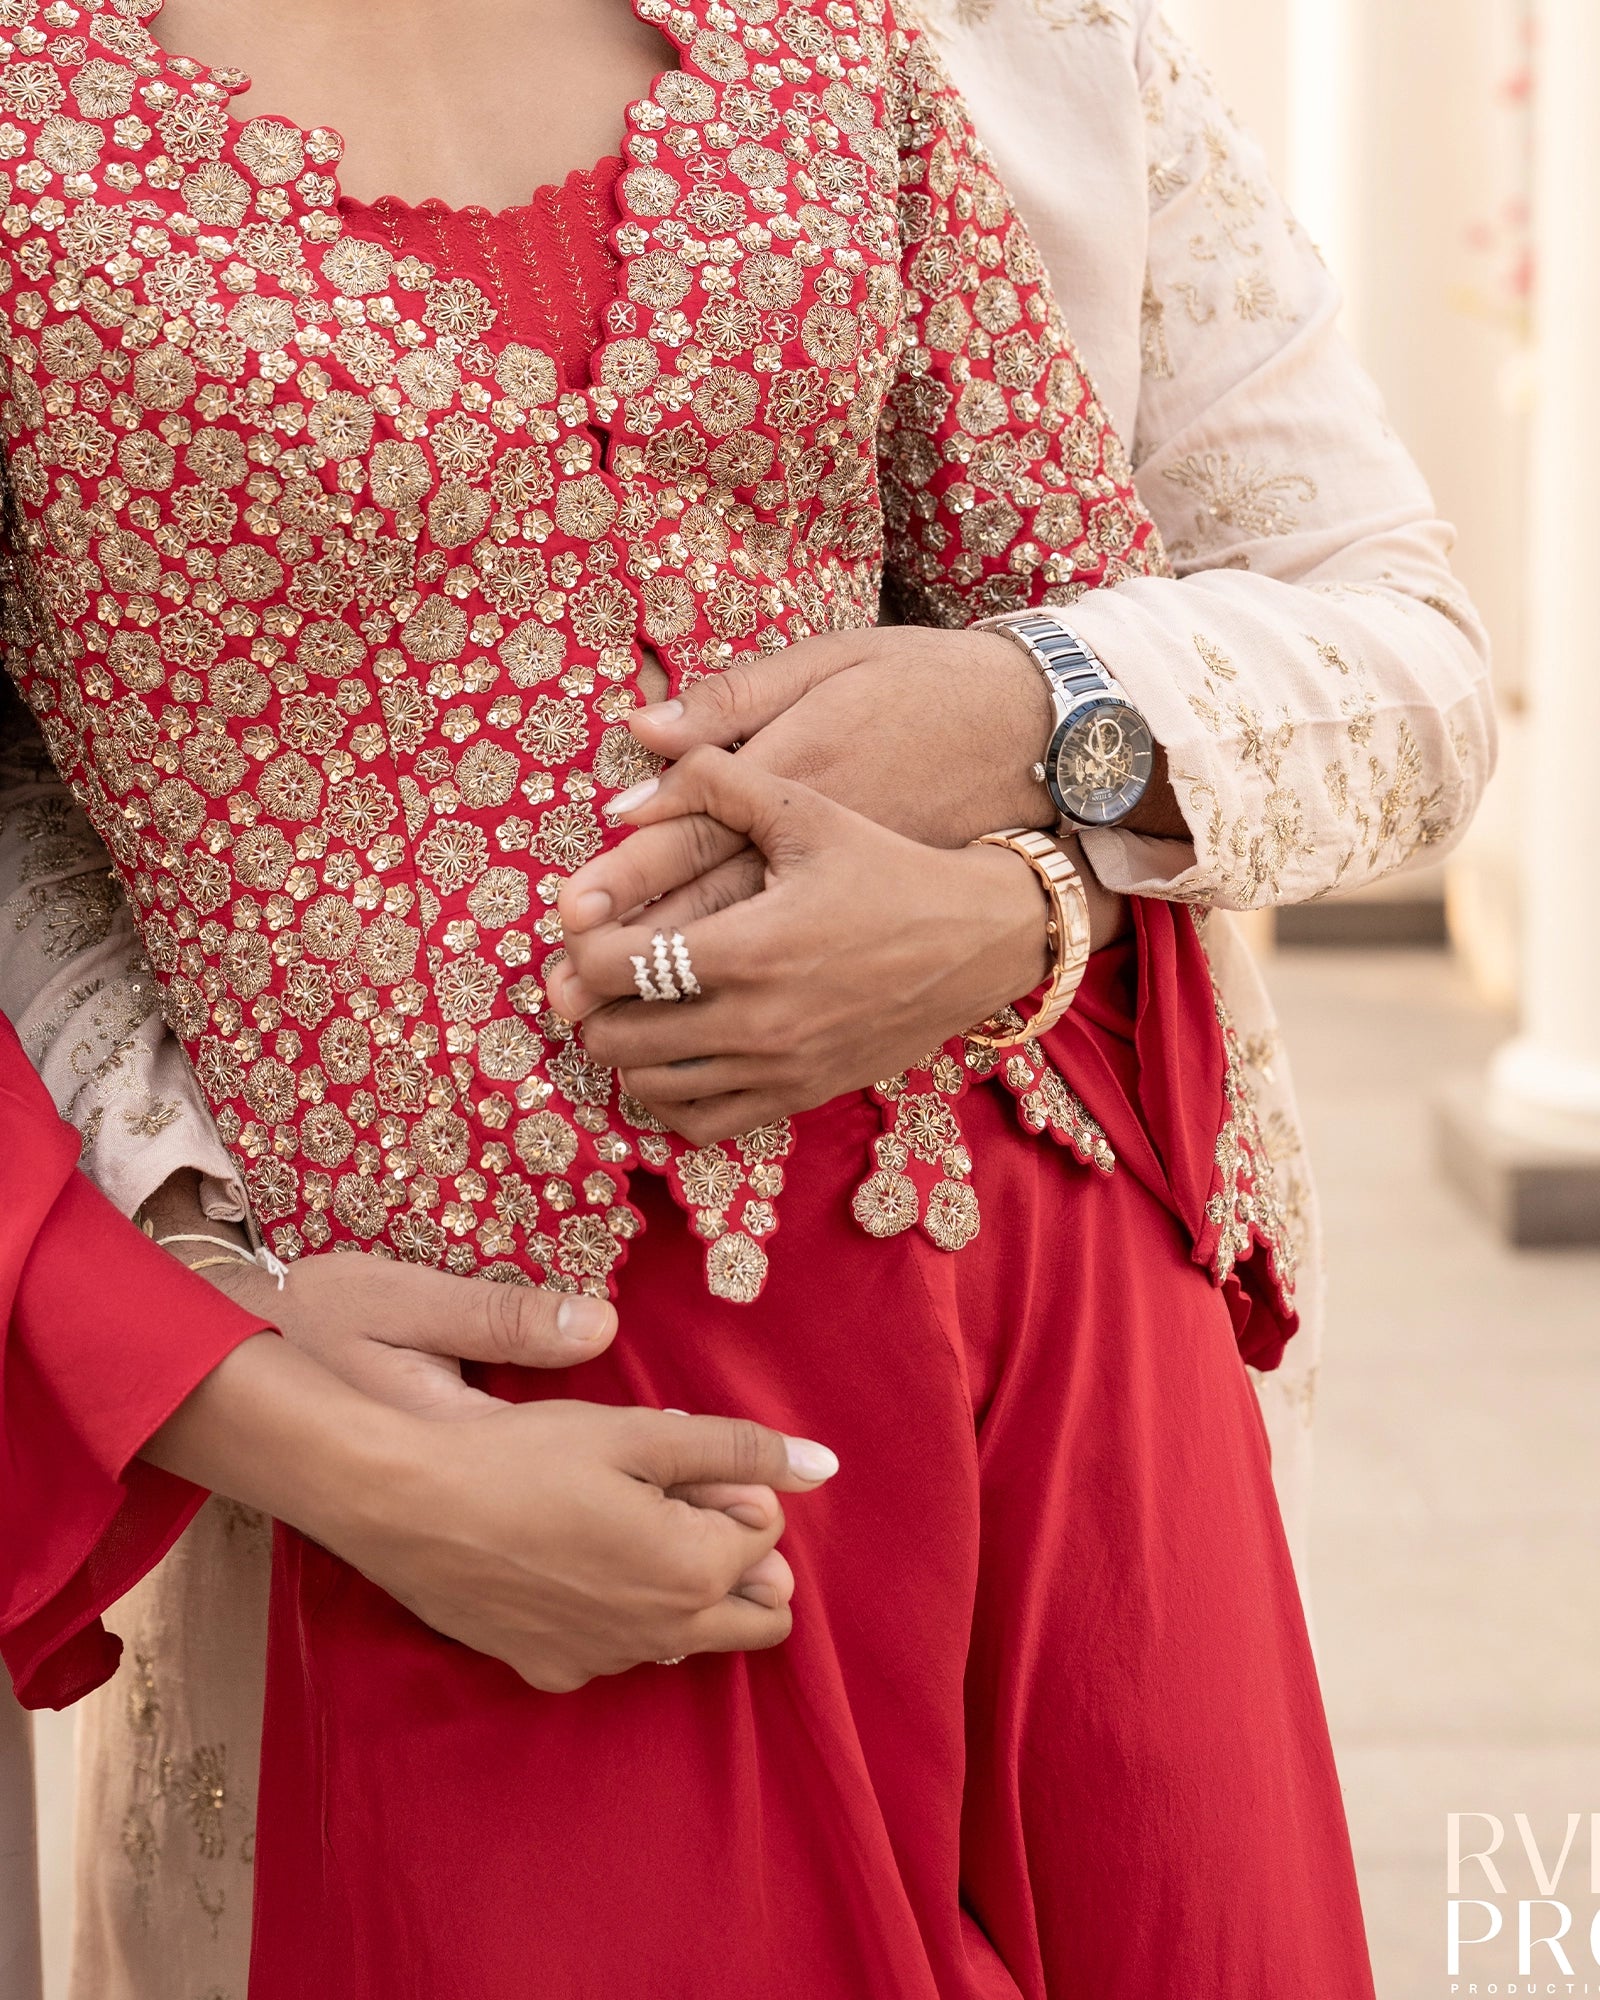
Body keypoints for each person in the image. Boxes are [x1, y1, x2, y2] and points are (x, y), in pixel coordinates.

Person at [0, 0, 1489, 1987]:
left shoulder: (876, 41)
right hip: (523, 1427)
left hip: (1042, 1325)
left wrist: (1025, 829)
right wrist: (220, 1353)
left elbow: (1300, 626)